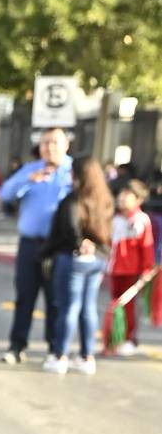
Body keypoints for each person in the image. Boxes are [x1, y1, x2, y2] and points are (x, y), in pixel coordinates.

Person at [0, 128, 73, 363]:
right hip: (30, 245)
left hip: (59, 246)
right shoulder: (31, 169)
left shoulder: (72, 172)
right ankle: (16, 346)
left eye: (54, 142)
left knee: (56, 300)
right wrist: (27, 179)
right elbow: (6, 193)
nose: (49, 147)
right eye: (45, 143)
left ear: (66, 145)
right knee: (25, 297)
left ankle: (54, 348)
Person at [42, 155, 112, 375]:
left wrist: (80, 243)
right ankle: (86, 356)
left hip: (72, 259)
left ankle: (60, 355)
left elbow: (68, 229)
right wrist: (92, 246)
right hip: (97, 261)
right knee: (88, 308)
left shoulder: (73, 200)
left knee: (68, 308)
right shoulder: (105, 199)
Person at [107, 179, 156, 356]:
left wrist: (146, 271)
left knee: (128, 308)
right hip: (114, 269)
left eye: (128, 195)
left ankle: (129, 339)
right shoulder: (115, 218)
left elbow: (147, 248)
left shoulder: (141, 220)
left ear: (138, 199)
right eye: (121, 194)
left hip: (132, 271)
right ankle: (114, 339)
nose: (122, 198)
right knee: (114, 306)